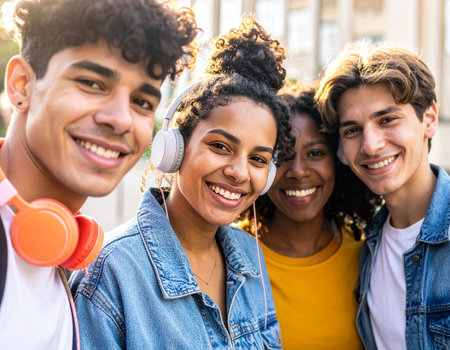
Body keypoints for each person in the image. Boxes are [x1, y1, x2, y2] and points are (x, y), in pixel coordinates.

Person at [70, 16, 295, 349]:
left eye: (258, 159)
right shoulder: (111, 271)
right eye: (220, 146)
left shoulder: (251, 257)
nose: (239, 172)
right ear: (174, 148)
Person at [0, 0, 198, 349]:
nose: (121, 119)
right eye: (92, 83)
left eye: (142, 102)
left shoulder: (57, 250)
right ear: (21, 85)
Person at [315, 41, 450, 350]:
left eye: (387, 120)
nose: (371, 145)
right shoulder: (367, 245)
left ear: (428, 119)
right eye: (352, 130)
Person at [236, 82, 381, 349]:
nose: (299, 171)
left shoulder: (369, 254)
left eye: (315, 153)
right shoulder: (232, 258)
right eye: (284, 156)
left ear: (338, 161)